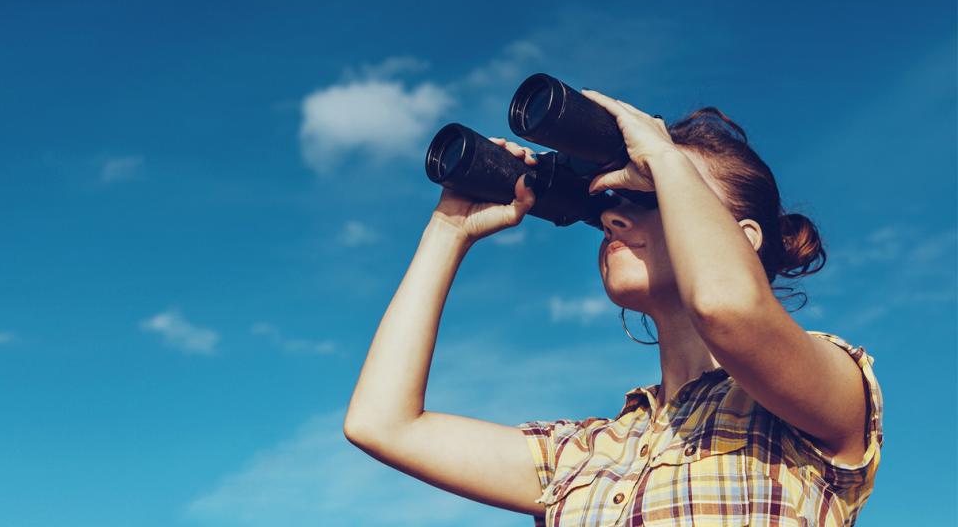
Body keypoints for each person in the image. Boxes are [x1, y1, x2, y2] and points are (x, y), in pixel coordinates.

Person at [342, 89, 883, 526]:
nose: (613, 219)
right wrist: (449, 228)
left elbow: (727, 308)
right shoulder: (583, 455)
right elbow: (381, 424)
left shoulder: (822, 396)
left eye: (650, 195)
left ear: (744, 239)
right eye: (609, 204)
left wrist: (664, 158)